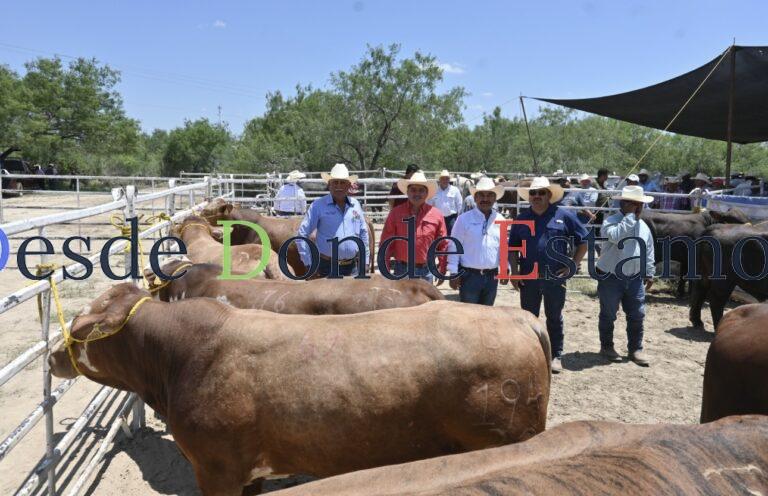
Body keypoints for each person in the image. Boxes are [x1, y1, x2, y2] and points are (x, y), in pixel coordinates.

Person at [508, 177, 588, 374]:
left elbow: (584, 241)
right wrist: (515, 272)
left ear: (549, 195)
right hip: (528, 277)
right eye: (533, 193)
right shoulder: (521, 218)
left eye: (541, 192)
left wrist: (573, 265)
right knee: (528, 317)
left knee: (554, 317)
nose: (536, 196)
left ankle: (555, 355)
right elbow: (512, 248)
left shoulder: (564, 216)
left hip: (555, 277)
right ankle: (529, 355)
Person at [596, 185, 655, 367]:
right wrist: (629, 217)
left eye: (639, 204)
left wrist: (649, 271)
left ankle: (635, 348)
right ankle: (607, 346)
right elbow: (615, 237)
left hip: (635, 276)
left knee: (637, 314)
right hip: (611, 276)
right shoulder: (611, 222)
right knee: (608, 314)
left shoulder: (643, 226)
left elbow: (648, 249)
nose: (639, 207)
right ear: (625, 204)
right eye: (634, 204)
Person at [297, 163, 369, 278]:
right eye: (335, 182)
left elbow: (363, 233)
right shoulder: (318, 206)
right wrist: (308, 262)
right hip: (326, 266)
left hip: (353, 266)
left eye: (342, 182)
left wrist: (365, 261)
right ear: (329, 185)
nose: (338, 186)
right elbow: (302, 234)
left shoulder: (355, 205)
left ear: (349, 185)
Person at [448, 177, 508, 305]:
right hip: (469, 276)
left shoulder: (501, 220)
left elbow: (503, 247)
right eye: (481, 195)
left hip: (492, 277)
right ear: (475, 198)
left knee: (486, 315)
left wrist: (504, 269)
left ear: (495, 198)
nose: (485, 199)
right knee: (468, 318)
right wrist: (453, 272)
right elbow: (454, 246)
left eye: (489, 195)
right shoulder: (463, 219)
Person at [380, 171, 448, 284]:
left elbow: (443, 244)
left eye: (421, 190)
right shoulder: (396, 213)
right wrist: (385, 268)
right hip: (402, 270)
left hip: (426, 270)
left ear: (427, 193)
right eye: (413, 190)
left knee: (426, 302)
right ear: (407, 192)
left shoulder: (437, 215)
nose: (417, 193)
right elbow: (386, 243)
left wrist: (442, 267)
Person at [428, 169, 463, 235]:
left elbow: (459, 204)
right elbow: (429, 205)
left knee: (452, 236)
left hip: (451, 218)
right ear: (439, 180)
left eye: (447, 178)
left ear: (449, 180)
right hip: (438, 218)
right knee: (439, 236)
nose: (445, 180)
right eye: (443, 178)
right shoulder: (434, 191)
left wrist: (458, 219)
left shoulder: (455, 190)